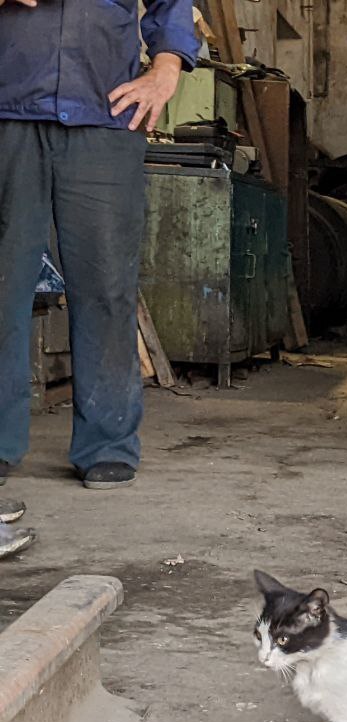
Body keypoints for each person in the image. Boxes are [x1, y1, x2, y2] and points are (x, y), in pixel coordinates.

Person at [0, 0, 199, 489]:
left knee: (107, 286)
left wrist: (166, 66)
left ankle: (106, 444)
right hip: (8, 113)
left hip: (104, 118)